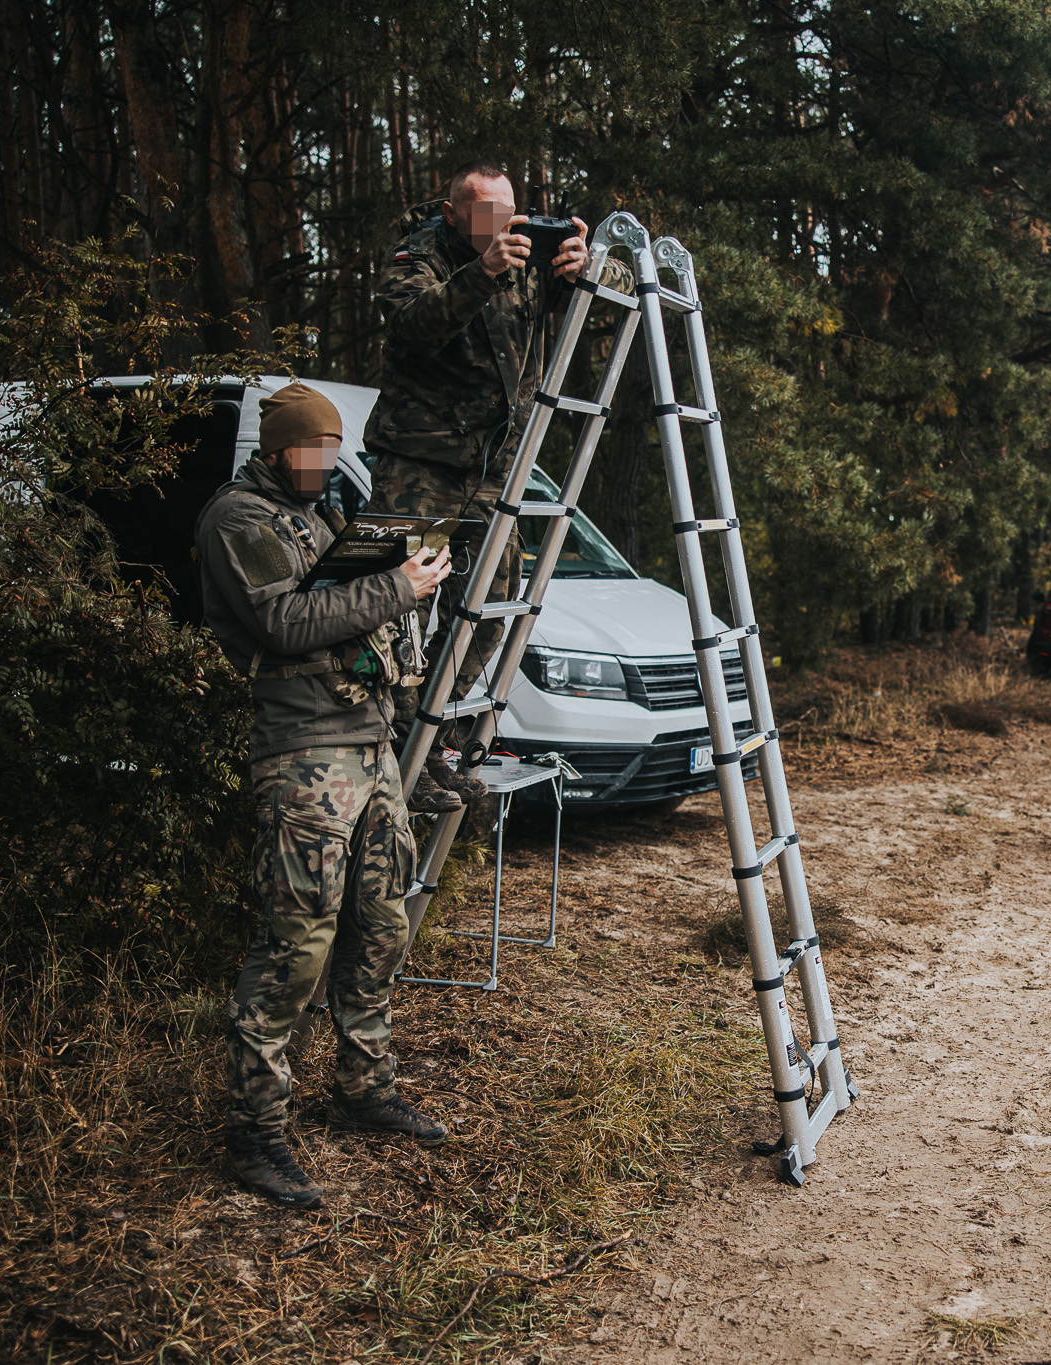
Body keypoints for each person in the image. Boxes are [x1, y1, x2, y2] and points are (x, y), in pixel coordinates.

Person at [197, 383, 457, 1209]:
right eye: (311, 449)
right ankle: (256, 1132)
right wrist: (395, 589)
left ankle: (362, 1083)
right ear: (276, 449)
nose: (321, 462)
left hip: (368, 744)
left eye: (330, 448)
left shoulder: (316, 511)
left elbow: (346, 604)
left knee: (384, 920)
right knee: (296, 942)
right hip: (302, 753)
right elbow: (288, 624)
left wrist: (405, 578)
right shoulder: (239, 520)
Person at [363, 161, 591, 813]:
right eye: (486, 213)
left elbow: (605, 295)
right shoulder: (418, 255)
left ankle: (430, 738)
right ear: (453, 212)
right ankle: (399, 749)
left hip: (491, 470)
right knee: (402, 609)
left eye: (510, 210)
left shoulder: (526, 254)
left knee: (488, 608)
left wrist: (586, 270)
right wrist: (483, 273)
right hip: (421, 467)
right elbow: (413, 326)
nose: (503, 225)